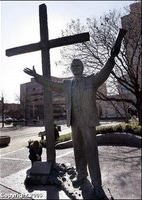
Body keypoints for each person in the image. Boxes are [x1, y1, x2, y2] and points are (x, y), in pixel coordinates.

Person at [24, 29, 126, 199]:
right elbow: (51, 84)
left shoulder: (92, 80)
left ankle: (97, 185)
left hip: (88, 122)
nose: (76, 68)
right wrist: (37, 77)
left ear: (82, 67)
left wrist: (111, 58)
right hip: (75, 122)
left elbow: (106, 71)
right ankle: (81, 176)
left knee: (92, 152)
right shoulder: (67, 84)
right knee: (78, 151)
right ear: (71, 69)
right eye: (73, 66)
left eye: (78, 65)